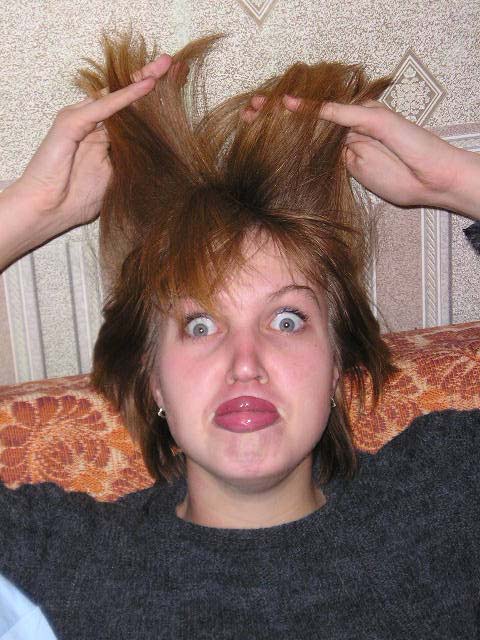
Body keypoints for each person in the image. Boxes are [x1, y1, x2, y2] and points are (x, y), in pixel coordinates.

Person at [0, 32, 478, 639]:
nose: (245, 363)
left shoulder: (450, 494)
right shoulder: (58, 565)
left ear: (336, 362)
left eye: (287, 320)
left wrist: (457, 181)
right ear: (153, 377)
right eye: (200, 325)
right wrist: (31, 209)